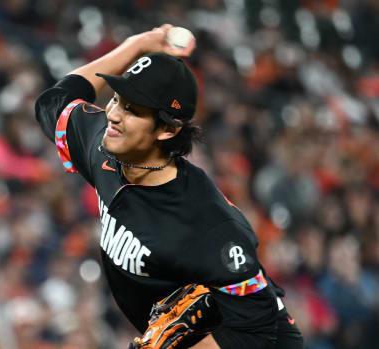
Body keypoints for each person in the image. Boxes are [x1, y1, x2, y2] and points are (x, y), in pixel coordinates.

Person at [35, 24, 303, 349]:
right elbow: (54, 101)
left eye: (132, 109)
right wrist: (135, 46)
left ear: (165, 130)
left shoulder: (208, 225)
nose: (113, 115)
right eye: (116, 99)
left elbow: (261, 332)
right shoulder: (102, 143)